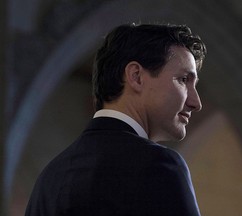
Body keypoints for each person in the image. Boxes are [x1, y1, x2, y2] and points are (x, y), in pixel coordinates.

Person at [25, 23, 207, 216]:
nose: (196, 102)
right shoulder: (157, 165)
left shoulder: (50, 177)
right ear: (136, 76)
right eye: (183, 80)